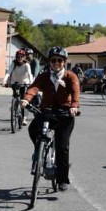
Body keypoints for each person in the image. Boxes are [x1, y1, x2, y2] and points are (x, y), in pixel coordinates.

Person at [21, 46, 80, 191]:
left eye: (59, 60)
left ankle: (62, 180)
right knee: (33, 129)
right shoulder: (44, 76)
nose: (56, 63)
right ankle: (39, 149)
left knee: (62, 147)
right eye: (53, 60)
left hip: (65, 114)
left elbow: (75, 91)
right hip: (47, 111)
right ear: (49, 62)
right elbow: (34, 88)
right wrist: (26, 99)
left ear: (64, 62)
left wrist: (74, 106)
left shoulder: (70, 76)